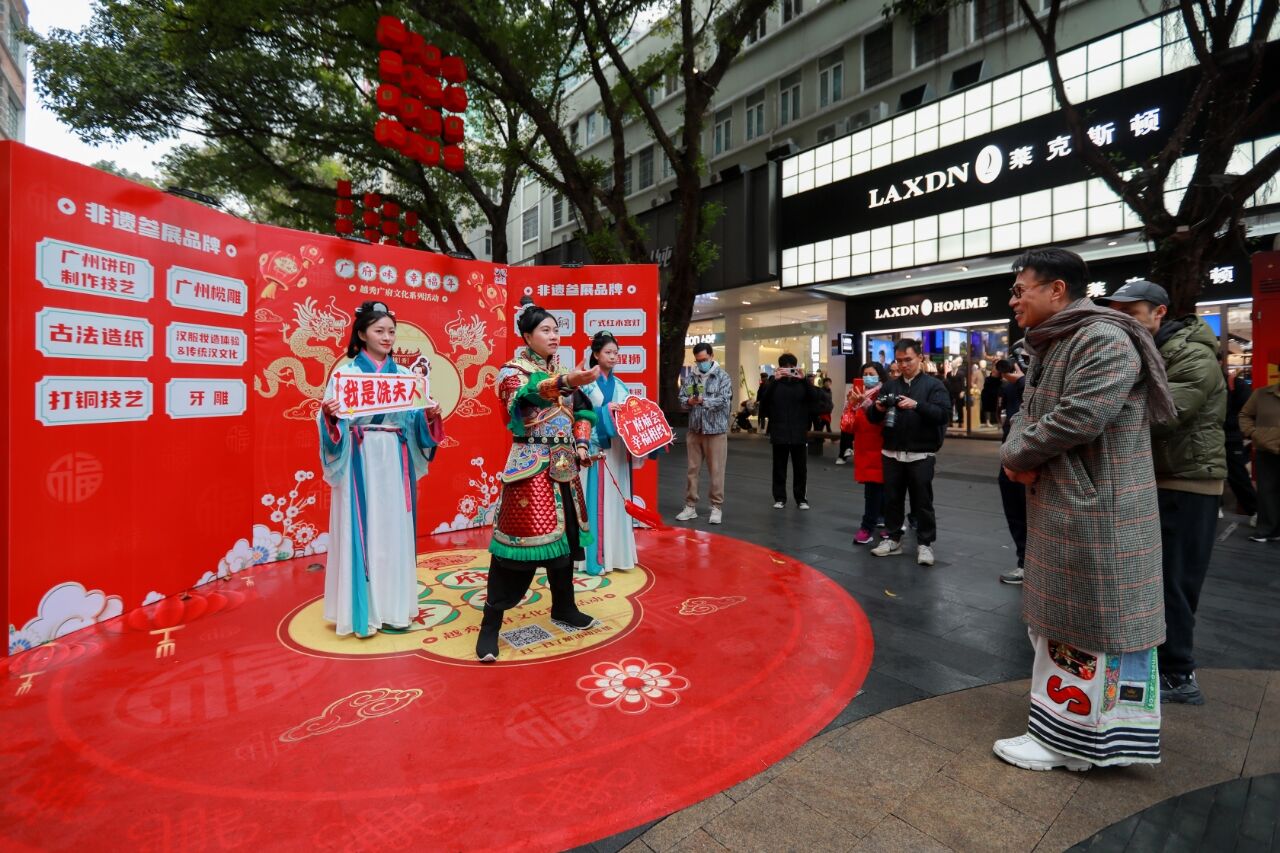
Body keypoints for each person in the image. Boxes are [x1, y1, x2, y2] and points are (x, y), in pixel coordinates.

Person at [995, 248, 1175, 772]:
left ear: (1057, 290)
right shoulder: (1060, 338)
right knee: (1070, 626)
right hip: (1074, 504)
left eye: (1020, 290)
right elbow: (1032, 412)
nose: (1013, 301)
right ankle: (1073, 739)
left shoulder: (1102, 337)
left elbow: (1079, 417)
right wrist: (1016, 453)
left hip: (1099, 510)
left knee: (1089, 628)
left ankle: (1070, 743)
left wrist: (1015, 456)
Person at [1100, 280, 1226, 706]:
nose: (1123, 322)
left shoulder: (1192, 354)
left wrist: (1099, 412)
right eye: (1117, 314)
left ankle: (1178, 674)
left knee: (1175, 579)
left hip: (1187, 481)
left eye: (1131, 314)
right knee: (1153, 577)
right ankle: (1159, 663)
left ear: (1159, 312)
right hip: (1155, 477)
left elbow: (1166, 412)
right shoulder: (1147, 350)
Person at [477, 299, 602, 662]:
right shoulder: (511, 372)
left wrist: (582, 444)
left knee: (566, 541)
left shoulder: (564, 370)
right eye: (545, 330)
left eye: (556, 330)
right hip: (530, 468)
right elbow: (527, 395)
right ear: (527, 335)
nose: (554, 336)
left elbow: (583, 410)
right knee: (516, 548)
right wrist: (565, 382)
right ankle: (490, 625)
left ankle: (564, 606)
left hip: (564, 465)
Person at [318, 301, 444, 638]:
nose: (387, 337)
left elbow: (415, 422)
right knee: (363, 526)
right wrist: (329, 415)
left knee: (393, 528)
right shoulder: (345, 376)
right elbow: (331, 423)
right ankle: (362, 611)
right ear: (362, 335)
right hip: (360, 457)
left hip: (394, 455)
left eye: (391, 331)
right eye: (379, 331)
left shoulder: (405, 377)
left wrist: (429, 414)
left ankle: (394, 608)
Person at [866, 339, 951, 566]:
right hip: (891, 452)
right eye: (899, 360)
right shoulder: (890, 386)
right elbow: (873, 418)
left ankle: (925, 544)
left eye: (908, 360)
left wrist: (917, 405)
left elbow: (943, 414)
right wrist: (878, 408)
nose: (903, 365)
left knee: (922, 501)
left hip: (921, 454)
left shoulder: (934, 385)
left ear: (920, 358)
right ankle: (893, 539)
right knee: (892, 500)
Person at [577, 331, 648, 576]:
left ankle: (617, 555)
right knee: (596, 501)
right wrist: (607, 411)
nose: (613, 357)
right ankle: (594, 558)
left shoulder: (620, 385)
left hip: (617, 451)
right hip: (597, 449)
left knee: (616, 501)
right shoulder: (586, 383)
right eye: (608, 352)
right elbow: (580, 415)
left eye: (616, 353)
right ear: (596, 355)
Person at [677, 343, 731, 524]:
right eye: (698, 361)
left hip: (715, 431)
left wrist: (703, 401)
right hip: (695, 430)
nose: (701, 364)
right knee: (692, 470)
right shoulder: (690, 378)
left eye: (704, 360)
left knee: (716, 471)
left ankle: (716, 507)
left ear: (712, 356)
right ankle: (690, 506)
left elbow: (724, 401)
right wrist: (689, 402)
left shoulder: (723, 376)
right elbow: (682, 399)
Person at [759, 353, 818, 509]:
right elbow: (764, 402)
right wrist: (774, 381)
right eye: (785, 367)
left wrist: (804, 380)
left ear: (795, 367)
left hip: (799, 432)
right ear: (780, 368)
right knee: (779, 467)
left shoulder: (802, 384)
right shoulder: (775, 384)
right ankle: (779, 498)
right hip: (779, 432)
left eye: (791, 367)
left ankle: (801, 499)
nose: (788, 370)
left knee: (801, 469)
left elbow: (815, 399)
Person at [844, 362, 887, 544]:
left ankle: (869, 526)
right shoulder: (854, 394)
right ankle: (882, 522)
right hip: (864, 448)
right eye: (865, 374)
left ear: (880, 375)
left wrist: (866, 404)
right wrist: (851, 406)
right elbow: (847, 426)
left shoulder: (885, 394)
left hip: (882, 448)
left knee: (878, 490)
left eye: (872, 373)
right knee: (874, 489)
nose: (868, 377)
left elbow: (885, 421)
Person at [995, 352, 1028, 585]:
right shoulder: (1009, 387)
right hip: (1010, 453)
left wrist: (1024, 382)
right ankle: (1024, 562)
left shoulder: (1036, 382)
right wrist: (993, 378)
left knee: (1030, 513)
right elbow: (988, 405)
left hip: (1033, 454)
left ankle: (1033, 565)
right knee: (1014, 511)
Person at [1241, 381, 1280, 543]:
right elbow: (1245, 415)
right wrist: (1254, 433)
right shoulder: (1262, 394)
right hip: (1266, 449)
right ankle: (1267, 530)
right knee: (1267, 492)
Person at [1224, 369, 1258, 521]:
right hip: (1215, 435)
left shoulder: (1236, 384)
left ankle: (1255, 511)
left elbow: (1248, 412)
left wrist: (1244, 430)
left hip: (1230, 436)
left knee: (1237, 474)